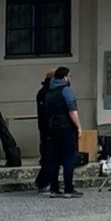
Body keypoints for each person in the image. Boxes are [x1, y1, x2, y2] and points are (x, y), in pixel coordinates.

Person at [42, 66, 83, 197]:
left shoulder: (49, 92)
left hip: (52, 129)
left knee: (54, 160)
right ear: (65, 77)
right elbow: (72, 111)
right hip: (66, 128)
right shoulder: (66, 91)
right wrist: (78, 127)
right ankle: (68, 189)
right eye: (69, 76)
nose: (70, 79)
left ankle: (54, 189)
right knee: (68, 159)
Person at [32, 70, 55, 192]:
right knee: (49, 156)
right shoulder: (46, 93)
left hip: (45, 129)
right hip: (49, 129)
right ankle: (42, 181)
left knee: (48, 156)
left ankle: (43, 181)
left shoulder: (42, 92)